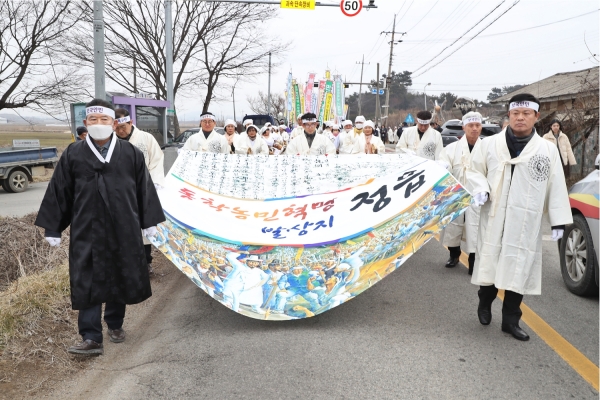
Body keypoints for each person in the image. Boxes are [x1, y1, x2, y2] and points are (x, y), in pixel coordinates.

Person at [35, 99, 165, 355]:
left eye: (104, 120)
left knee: (120, 272)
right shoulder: (73, 154)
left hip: (123, 227)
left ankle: (115, 324)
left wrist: (149, 222)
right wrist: (53, 227)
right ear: (85, 123)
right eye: (92, 120)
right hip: (87, 229)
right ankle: (91, 336)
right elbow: (60, 191)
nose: (98, 124)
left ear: (114, 123)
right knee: (87, 278)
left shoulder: (131, 154)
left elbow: (144, 190)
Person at [467, 93, 572, 341]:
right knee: (490, 265)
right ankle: (485, 302)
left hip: (525, 221)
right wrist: (481, 188)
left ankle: (511, 321)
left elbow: (556, 185)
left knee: (518, 269)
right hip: (494, 216)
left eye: (526, 114)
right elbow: (474, 171)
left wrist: (557, 220)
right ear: (509, 115)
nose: (520, 118)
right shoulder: (489, 144)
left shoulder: (547, 150)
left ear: (536, 116)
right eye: (516, 113)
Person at [113, 108, 165, 274]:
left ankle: (146, 262)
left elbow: (156, 160)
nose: (120, 131)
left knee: (144, 227)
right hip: (121, 192)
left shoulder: (145, 138)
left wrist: (155, 183)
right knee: (124, 227)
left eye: (123, 127)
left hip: (143, 189)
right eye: (117, 128)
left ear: (130, 122)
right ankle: (127, 263)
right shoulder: (111, 141)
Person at [439, 112, 483, 275]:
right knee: (454, 225)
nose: (474, 129)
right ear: (464, 127)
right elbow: (445, 163)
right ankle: (454, 254)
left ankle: (473, 259)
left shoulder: (486, 148)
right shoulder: (452, 148)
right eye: (470, 125)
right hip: (457, 192)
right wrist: (443, 166)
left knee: (476, 228)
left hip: (477, 195)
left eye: (477, 125)